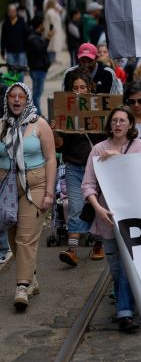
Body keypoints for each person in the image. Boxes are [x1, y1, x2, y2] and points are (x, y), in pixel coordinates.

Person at [82, 105, 141, 331]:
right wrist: (98, 208)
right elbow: (88, 184)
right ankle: (129, 304)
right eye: (114, 121)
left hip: (134, 219)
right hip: (107, 218)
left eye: (122, 120)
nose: (118, 124)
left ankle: (125, 313)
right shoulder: (98, 149)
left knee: (129, 264)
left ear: (131, 124)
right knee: (117, 268)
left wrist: (118, 158)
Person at [0, 83, 57, 311]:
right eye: (12, 96)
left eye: (20, 96)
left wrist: (50, 192)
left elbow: (51, 159)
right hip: (7, 186)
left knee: (26, 238)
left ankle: (21, 287)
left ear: (27, 99)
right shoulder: (2, 125)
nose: (16, 100)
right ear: (7, 100)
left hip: (36, 184)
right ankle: (31, 278)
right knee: (14, 238)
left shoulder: (39, 125)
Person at [53, 72, 107, 267]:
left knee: (98, 205)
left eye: (82, 88)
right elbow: (59, 145)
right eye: (75, 88)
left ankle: (99, 245)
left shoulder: (101, 110)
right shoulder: (64, 113)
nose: (78, 92)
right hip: (74, 166)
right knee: (75, 206)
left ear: (90, 88)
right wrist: (55, 130)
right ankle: (73, 250)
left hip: (98, 167)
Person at [25, 17, 51, 113]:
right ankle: (37, 114)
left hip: (39, 69)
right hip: (37, 69)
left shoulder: (36, 36)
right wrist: (47, 39)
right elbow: (40, 50)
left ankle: (36, 113)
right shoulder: (33, 38)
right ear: (39, 25)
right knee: (37, 93)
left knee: (37, 92)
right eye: (42, 24)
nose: (44, 26)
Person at [43, 0, 64, 65]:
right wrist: (53, 30)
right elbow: (52, 22)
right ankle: (51, 59)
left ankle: (53, 59)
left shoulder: (53, 11)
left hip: (54, 31)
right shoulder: (50, 12)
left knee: (54, 46)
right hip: (52, 31)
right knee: (51, 46)